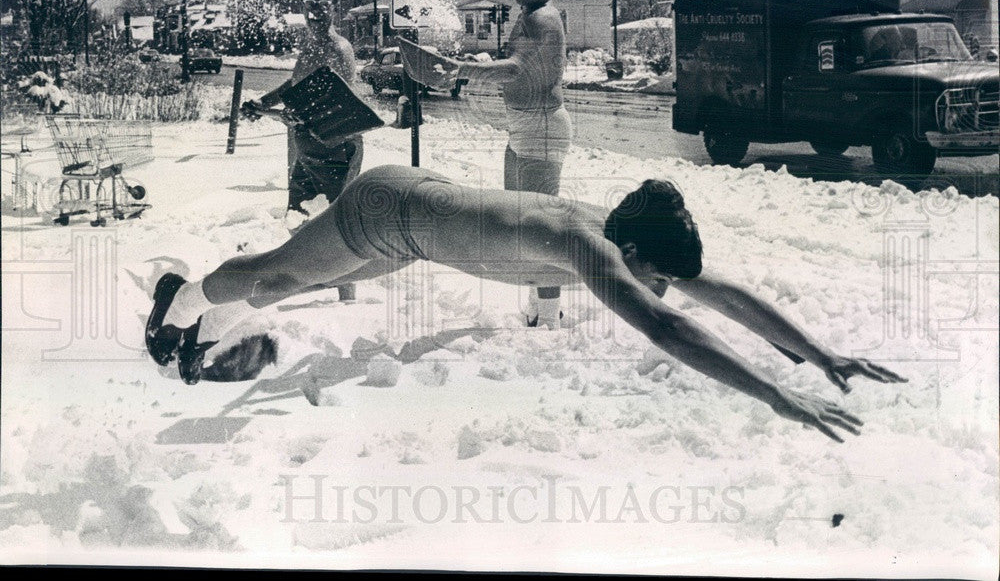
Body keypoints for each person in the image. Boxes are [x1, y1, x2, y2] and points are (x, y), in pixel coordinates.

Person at [145, 165, 906, 441]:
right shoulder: (590, 249)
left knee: (290, 280)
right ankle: (181, 301)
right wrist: (775, 395)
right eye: (650, 277)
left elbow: (719, 293)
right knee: (283, 278)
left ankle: (208, 320)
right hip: (386, 210)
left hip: (416, 228)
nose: (655, 287)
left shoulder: (626, 243)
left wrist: (821, 355)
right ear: (631, 256)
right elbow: (669, 327)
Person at [430, 0, 572, 330]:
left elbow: (516, 70)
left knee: (542, 231)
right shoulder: (527, 15)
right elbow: (519, 70)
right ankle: (537, 309)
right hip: (523, 126)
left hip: (541, 128)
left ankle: (549, 318)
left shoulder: (544, 18)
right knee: (520, 224)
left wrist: (463, 70)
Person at [242, 0, 362, 301]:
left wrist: (298, 116)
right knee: (297, 218)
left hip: (335, 149)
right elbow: (296, 85)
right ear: (302, 7)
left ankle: (348, 301)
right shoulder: (310, 44)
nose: (316, 12)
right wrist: (265, 103)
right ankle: (320, 281)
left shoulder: (340, 49)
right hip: (308, 145)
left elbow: (341, 105)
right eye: (310, 5)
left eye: (323, 5)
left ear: (334, 8)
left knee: (334, 228)